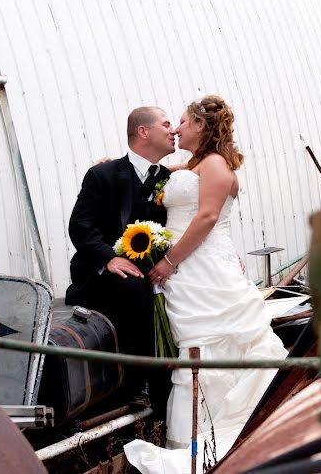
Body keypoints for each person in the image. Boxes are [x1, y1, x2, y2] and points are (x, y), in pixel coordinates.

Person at [124, 95, 288, 473]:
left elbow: (207, 218)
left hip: (203, 267)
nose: (177, 129)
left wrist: (168, 260)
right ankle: (198, 434)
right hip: (189, 274)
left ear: (200, 126)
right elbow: (161, 172)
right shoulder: (197, 163)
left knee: (213, 341)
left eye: (181, 121)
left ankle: (223, 434)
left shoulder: (214, 164)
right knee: (196, 346)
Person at [65, 106, 176, 414]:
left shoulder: (171, 180)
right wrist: (109, 260)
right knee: (132, 288)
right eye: (166, 124)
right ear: (143, 132)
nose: (173, 131)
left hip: (156, 271)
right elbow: (80, 226)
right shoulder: (102, 174)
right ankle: (138, 383)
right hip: (104, 275)